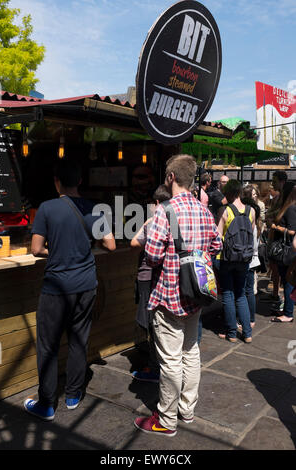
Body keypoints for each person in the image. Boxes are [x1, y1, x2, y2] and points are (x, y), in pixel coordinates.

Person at [134, 154, 222, 437]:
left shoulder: (165, 211)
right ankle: (187, 409)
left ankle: (167, 419)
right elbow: (216, 246)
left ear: (171, 177)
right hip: (196, 294)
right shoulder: (203, 211)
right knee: (190, 352)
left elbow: (152, 256)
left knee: (170, 360)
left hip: (170, 295)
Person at [24, 159, 116, 421]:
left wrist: (56, 250)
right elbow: (109, 245)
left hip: (57, 287)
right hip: (86, 285)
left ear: (57, 182)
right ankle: (74, 395)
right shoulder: (94, 209)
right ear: (79, 181)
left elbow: (36, 248)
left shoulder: (47, 208)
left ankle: (47, 404)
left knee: (48, 345)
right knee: (78, 340)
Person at [130, 184, 171, 383]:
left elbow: (134, 243)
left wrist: (147, 220)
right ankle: (159, 365)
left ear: (156, 203)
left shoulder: (154, 222)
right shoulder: (174, 221)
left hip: (147, 278)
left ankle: (155, 368)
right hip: (164, 279)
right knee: (159, 325)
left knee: (151, 326)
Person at [217, 180, 256, 343]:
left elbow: (218, 236)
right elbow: (251, 232)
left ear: (228, 193)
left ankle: (232, 333)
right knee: (240, 294)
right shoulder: (251, 211)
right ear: (239, 192)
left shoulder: (224, 211)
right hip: (244, 258)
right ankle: (247, 333)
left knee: (227, 293)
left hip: (226, 258)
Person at [271, 185, 296, 323]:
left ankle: (288, 313)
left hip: (287, 251)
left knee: (288, 282)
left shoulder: (291, 208)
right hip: (286, 250)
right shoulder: (289, 207)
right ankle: (286, 309)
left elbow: (292, 231)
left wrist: (276, 227)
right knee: (286, 280)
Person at [242, 187, 262, 329]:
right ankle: (251, 319)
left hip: (247, 259)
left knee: (245, 291)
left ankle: (247, 320)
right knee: (250, 290)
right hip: (253, 258)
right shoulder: (257, 218)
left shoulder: (248, 217)